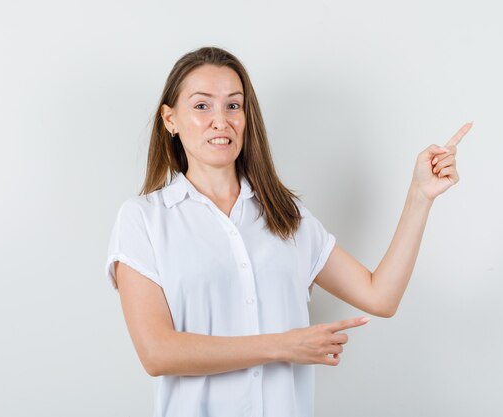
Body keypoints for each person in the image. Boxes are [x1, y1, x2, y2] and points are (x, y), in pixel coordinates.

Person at [105, 46, 473, 417]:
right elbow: (157, 353)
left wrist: (420, 195)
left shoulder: (286, 216)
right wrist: (283, 346)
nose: (221, 120)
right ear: (170, 119)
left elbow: (381, 297)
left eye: (233, 105)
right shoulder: (144, 219)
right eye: (202, 106)